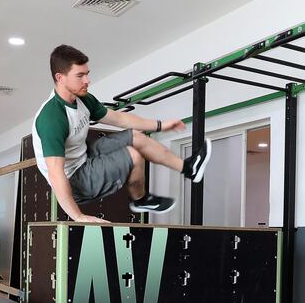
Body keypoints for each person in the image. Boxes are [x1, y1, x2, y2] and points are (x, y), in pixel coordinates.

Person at [31, 44, 212, 223]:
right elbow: (56, 174)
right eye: (80, 75)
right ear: (60, 77)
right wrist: (78, 216)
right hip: (73, 180)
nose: (87, 80)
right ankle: (141, 200)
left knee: (136, 137)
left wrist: (161, 125)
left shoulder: (83, 99)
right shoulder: (52, 117)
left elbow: (118, 118)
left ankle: (189, 168)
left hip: (84, 156)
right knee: (133, 156)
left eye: (87, 74)